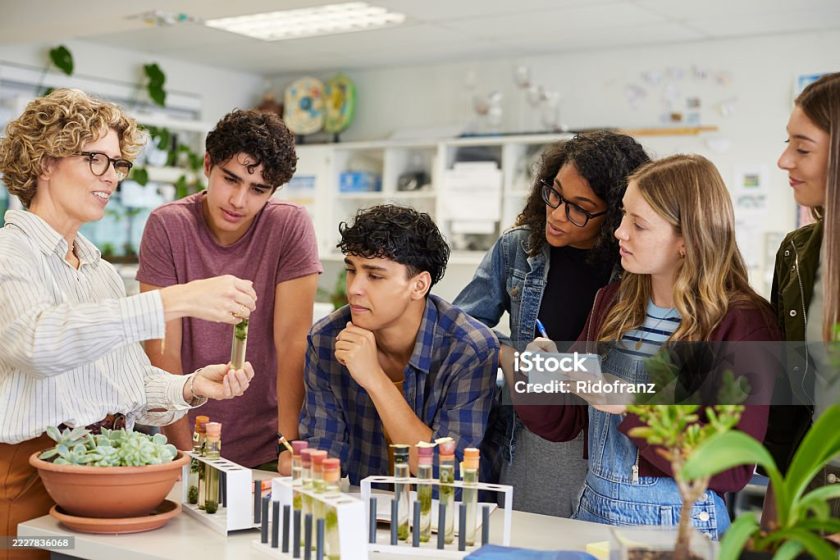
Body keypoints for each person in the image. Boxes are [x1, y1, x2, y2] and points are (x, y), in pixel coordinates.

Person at [0, 89, 256, 559]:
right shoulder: (9, 252)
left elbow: (128, 385)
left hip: (101, 475)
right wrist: (171, 301)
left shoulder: (98, 271)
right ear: (44, 161)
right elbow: (38, 342)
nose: (111, 177)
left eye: (117, 164)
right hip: (26, 481)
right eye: (96, 159)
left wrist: (193, 386)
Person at [514, 154, 780, 538]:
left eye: (638, 224)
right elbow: (563, 422)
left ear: (687, 241)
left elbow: (733, 468)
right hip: (591, 508)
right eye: (623, 216)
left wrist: (634, 405)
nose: (620, 232)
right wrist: (542, 371)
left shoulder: (742, 322)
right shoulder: (612, 301)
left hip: (681, 524)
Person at [453, 131, 650, 515]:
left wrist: (554, 367)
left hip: (606, 442)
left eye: (579, 207)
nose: (557, 214)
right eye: (554, 193)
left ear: (614, 216)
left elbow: (636, 371)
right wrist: (509, 356)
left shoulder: (633, 267)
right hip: (531, 435)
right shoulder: (518, 248)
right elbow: (465, 326)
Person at [137, 109, 322, 469]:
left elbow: (292, 344)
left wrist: (288, 445)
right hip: (186, 439)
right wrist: (185, 453)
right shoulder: (168, 225)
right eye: (231, 179)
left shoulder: (289, 226)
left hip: (269, 443)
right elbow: (163, 350)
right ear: (208, 164)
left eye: (258, 189)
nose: (239, 200)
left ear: (274, 190)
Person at [285, 205, 498, 482]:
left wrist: (374, 379)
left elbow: (447, 478)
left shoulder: (470, 349)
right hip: (364, 511)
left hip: (447, 519)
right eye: (352, 270)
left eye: (374, 275)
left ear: (419, 285)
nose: (354, 288)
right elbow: (324, 461)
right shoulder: (327, 339)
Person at [765, 72, 840, 520]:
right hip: (812, 494)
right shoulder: (798, 252)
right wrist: (775, 509)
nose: (783, 160)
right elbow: (787, 400)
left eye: (803, 147)